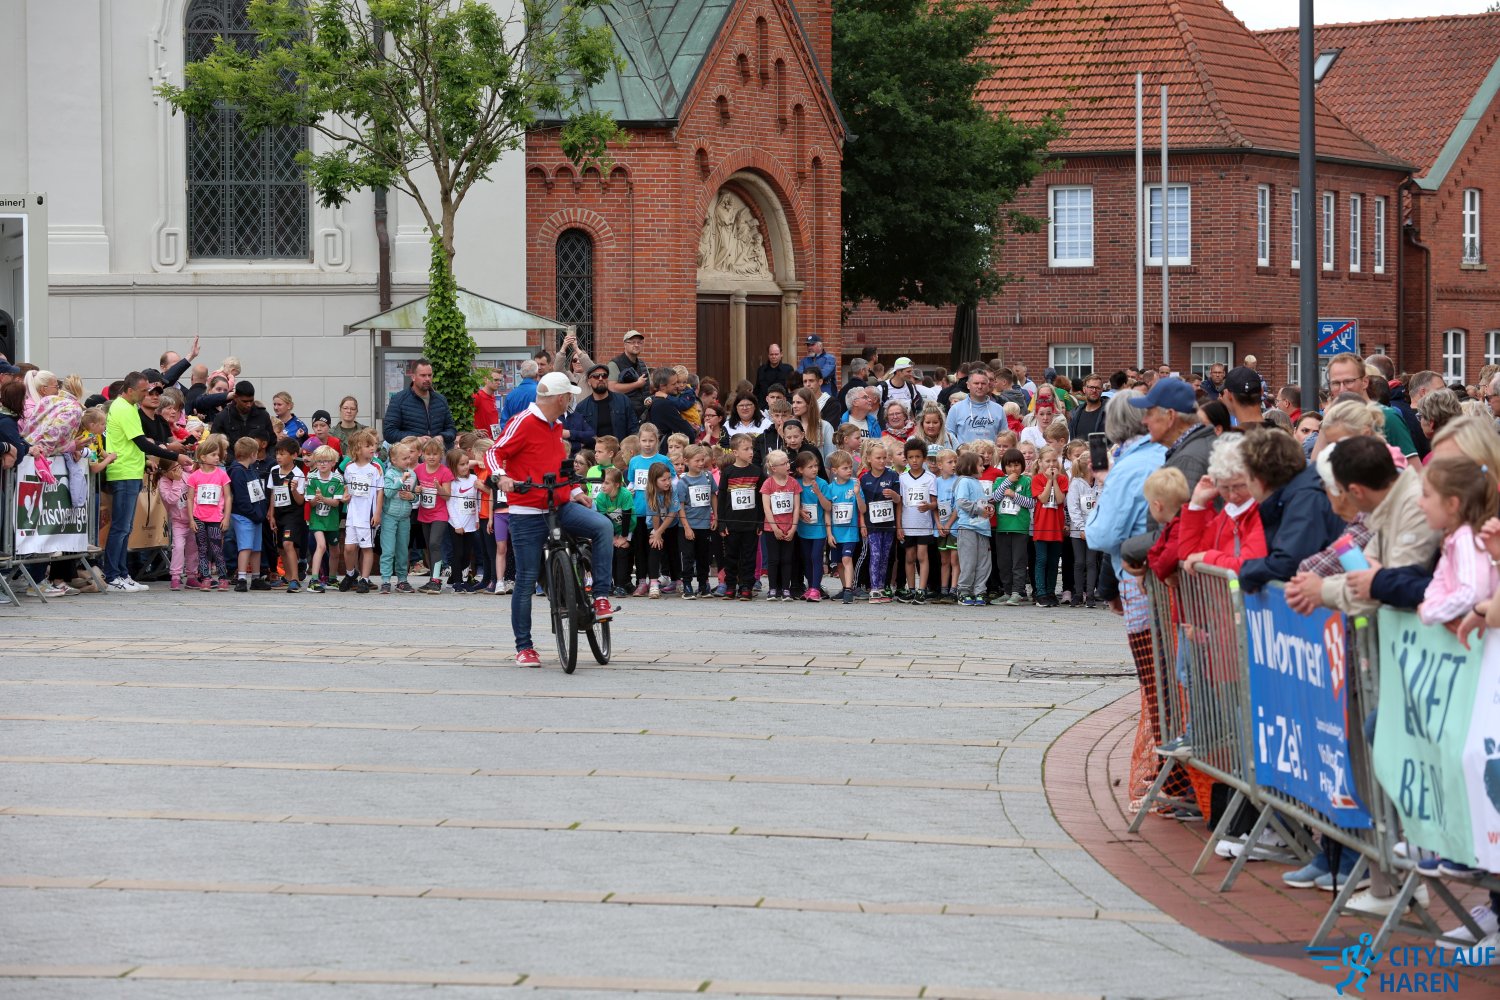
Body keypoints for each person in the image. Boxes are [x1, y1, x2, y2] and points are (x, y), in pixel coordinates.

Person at [484, 371, 617, 667]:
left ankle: (600, 596)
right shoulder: (523, 422)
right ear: (560, 398)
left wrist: (574, 490)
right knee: (526, 578)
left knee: (603, 527)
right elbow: (494, 452)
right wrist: (501, 476)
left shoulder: (556, 426)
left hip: (559, 505)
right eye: (569, 396)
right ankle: (524, 647)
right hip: (527, 512)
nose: (570, 400)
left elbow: (558, 466)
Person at [103, 371, 194, 592]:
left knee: (125, 528)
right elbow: (142, 443)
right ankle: (113, 576)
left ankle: (122, 574)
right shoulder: (124, 409)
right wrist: (175, 456)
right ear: (130, 390)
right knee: (121, 527)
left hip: (131, 470)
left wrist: (144, 461)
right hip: (124, 472)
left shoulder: (128, 407)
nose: (147, 394)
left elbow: (130, 444)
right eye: (144, 391)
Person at [1237, 428, 1344, 593]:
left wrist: (1246, 573)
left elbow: (1288, 563)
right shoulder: (1298, 494)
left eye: (1246, 477)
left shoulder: (1306, 498)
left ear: (1258, 479)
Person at [717, 433, 765, 601]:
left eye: (752, 448)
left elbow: (761, 499)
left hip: (751, 523)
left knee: (749, 556)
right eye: (746, 449)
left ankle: (746, 586)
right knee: (731, 556)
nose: (751, 452)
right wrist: (721, 522)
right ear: (735, 452)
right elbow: (722, 498)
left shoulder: (757, 471)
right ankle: (730, 585)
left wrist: (760, 521)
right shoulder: (728, 472)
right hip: (732, 523)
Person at [338, 429, 384, 594]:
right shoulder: (349, 467)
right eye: (367, 445)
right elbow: (346, 487)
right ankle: (351, 573)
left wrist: (377, 513)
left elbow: (380, 491)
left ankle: (364, 579)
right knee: (349, 548)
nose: (372, 448)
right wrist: (344, 496)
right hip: (352, 514)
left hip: (367, 515)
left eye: (373, 445)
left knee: (366, 547)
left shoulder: (375, 468)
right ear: (357, 449)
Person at [988, 447, 1035, 607]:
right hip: (1002, 528)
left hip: (1020, 528)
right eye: (1009, 465)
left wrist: (1014, 495)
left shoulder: (1027, 481)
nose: (1013, 469)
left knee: (1018, 562)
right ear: (1004, 467)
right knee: (1004, 562)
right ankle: (1007, 591)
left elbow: (1031, 503)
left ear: (1022, 465)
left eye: (1016, 465)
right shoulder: (1000, 481)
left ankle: (1017, 592)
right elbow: (995, 498)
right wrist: (1008, 482)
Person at [185, 434, 232, 591]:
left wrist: (226, 517)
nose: (217, 457)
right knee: (202, 549)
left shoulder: (222, 474)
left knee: (217, 548)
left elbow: (228, 497)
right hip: (199, 517)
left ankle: (223, 577)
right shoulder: (194, 476)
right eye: (213, 455)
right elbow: (190, 499)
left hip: (215, 518)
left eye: (218, 454)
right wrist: (191, 519)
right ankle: (205, 577)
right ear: (203, 457)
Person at [858, 439, 900, 602]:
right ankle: (874, 588)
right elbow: (862, 505)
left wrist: (894, 495)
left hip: (888, 524)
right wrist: (862, 524)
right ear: (869, 459)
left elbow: (898, 500)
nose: (882, 461)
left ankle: (881, 587)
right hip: (872, 525)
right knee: (875, 555)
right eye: (878, 458)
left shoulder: (892, 475)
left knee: (885, 556)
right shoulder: (864, 479)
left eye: (884, 458)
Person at [673, 444, 717, 599]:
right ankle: (687, 584)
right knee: (688, 557)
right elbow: (680, 506)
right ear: (686, 461)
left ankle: (703, 584)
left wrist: (716, 516)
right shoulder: (683, 482)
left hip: (704, 525)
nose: (700, 463)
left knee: (703, 556)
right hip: (688, 526)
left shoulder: (708, 476)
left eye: (702, 460)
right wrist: (686, 527)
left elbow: (713, 495)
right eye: (697, 461)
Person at [227, 435, 270, 592]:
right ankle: (242, 578)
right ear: (252, 454)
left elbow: (259, 492)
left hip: (256, 515)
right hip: (244, 515)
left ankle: (256, 577)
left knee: (256, 547)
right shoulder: (237, 471)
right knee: (245, 547)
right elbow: (241, 498)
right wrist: (254, 513)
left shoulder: (251, 469)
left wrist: (261, 511)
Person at [383, 359, 456, 448]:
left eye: (430, 375)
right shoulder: (399, 400)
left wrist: (442, 437)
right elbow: (389, 432)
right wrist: (416, 440)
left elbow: (451, 429)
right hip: (412, 454)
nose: (427, 379)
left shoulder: (441, 400)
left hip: (438, 453)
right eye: (423, 375)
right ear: (413, 377)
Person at [823, 449, 864, 604]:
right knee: (839, 563)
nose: (849, 471)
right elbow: (827, 512)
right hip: (836, 533)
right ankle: (844, 587)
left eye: (850, 467)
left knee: (847, 558)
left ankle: (848, 590)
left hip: (850, 533)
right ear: (835, 470)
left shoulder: (855, 484)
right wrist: (829, 533)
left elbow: (863, 509)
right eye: (845, 468)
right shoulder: (830, 488)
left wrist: (857, 494)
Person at [1030, 447, 1070, 607]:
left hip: (1056, 527)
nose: (1052, 464)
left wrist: (1054, 481)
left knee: (1053, 561)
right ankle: (1040, 593)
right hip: (1042, 526)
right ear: (1040, 462)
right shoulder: (1036, 479)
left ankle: (1051, 591)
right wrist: (1048, 481)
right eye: (1048, 461)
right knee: (1042, 560)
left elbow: (1060, 500)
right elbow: (1043, 499)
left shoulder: (1063, 479)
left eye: (1054, 460)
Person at [266, 437, 307, 592]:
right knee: (281, 547)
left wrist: (294, 490)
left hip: (293, 514)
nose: (278, 457)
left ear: (294, 455)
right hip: (279, 513)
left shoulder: (298, 474)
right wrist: (271, 514)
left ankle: (295, 579)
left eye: (282, 454)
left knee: (288, 543)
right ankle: (288, 577)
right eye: (277, 453)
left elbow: (301, 501)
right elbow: (273, 494)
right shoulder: (274, 471)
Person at [414, 438, 454, 593]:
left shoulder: (445, 472)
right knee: (429, 547)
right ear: (423, 454)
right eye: (428, 454)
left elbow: (447, 496)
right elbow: (413, 487)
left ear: (441, 455)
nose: (431, 457)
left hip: (439, 514)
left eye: (435, 454)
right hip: (424, 513)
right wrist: (416, 489)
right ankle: (432, 578)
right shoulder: (419, 469)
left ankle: (436, 580)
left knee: (434, 544)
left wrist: (439, 488)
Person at [759, 449, 800, 600]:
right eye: (784, 463)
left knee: (787, 559)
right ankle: (772, 588)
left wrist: (794, 527)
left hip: (789, 528)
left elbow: (796, 507)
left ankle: (786, 588)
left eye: (788, 462)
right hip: (772, 529)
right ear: (774, 468)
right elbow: (766, 508)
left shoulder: (793, 483)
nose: (788, 465)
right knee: (773, 559)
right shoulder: (768, 484)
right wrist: (775, 528)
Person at [303, 446, 344, 592]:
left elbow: (336, 503)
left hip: (332, 520)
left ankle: (332, 579)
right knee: (321, 546)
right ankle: (314, 580)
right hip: (317, 519)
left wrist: (323, 498)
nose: (322, 464)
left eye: (326, 461)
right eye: (319, 461)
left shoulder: (338, 479)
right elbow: (310, 503)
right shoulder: (312, 477)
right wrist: (316, 499)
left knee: (335, 550)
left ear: (333, 463)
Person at [794, 451, 831, 602]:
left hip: (819, 529)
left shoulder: (822, 484)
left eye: (816, 466)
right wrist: (800, 511)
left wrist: (818, 493)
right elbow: (794, 504)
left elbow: (828, 506)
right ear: (800, 469)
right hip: (803, 529)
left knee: (816, 557)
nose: (814, 469)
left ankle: (816, 588)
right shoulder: (796, 483)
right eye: (810, 467)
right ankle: (810, 587)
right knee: (806, 558)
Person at [576, 363, 638, 442]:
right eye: (596, 376)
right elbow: (579, 435)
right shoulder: (582, 408)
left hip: (620, 448)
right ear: (589, 381)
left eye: (604, 375)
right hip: (594, 449)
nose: (601, 378)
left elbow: (634, 429)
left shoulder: (623, 400)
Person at [211, 381, 276, 452]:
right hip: (232, 458)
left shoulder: (263, 415)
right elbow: (215, 444)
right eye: (245, 401)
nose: (249, 405)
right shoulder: (223, 417)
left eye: (251, 401)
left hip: (258, 458)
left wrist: (267, 458)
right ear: (235, 397)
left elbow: (272, 443)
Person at [944, 369, 1004, 445]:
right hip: (964, 452)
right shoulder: (956, 409)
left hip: (991, 452)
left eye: (983, 383)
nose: (980, 386)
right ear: (968, 385)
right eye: (976, 383)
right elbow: (949, 437)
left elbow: (1004, 437)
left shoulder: (999, 409)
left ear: (988, 385)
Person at [607, 330, 650, 414]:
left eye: (639, 342)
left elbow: (649, 387)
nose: (636, 345)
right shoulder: (614, 364)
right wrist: (637, 384)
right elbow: (612, 388)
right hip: (623, 413)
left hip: (643, 413)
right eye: (633, 342)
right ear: (625, 344)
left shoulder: (642, 364)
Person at [500, 360, 541, 424]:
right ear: (537, 374)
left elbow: (504, 423)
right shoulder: (540, 392)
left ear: (521, 375)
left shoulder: (510, 395)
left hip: (515, 429)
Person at [1068, 373, 1107, 440]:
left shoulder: (1109, 412)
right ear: (1084, 389)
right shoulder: (1075, 414)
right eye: (1091, 387)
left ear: (1102, 390)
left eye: (1097, 388)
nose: (1094, 390)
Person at [473, 370, 503, 439]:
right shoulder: (477, 396)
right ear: (485, 380)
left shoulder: (492, 397)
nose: (499, 383)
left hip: (493, 439)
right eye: (495, 380)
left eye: (500, 380)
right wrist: (473, 431)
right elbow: (466, 417)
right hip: (481, 440)